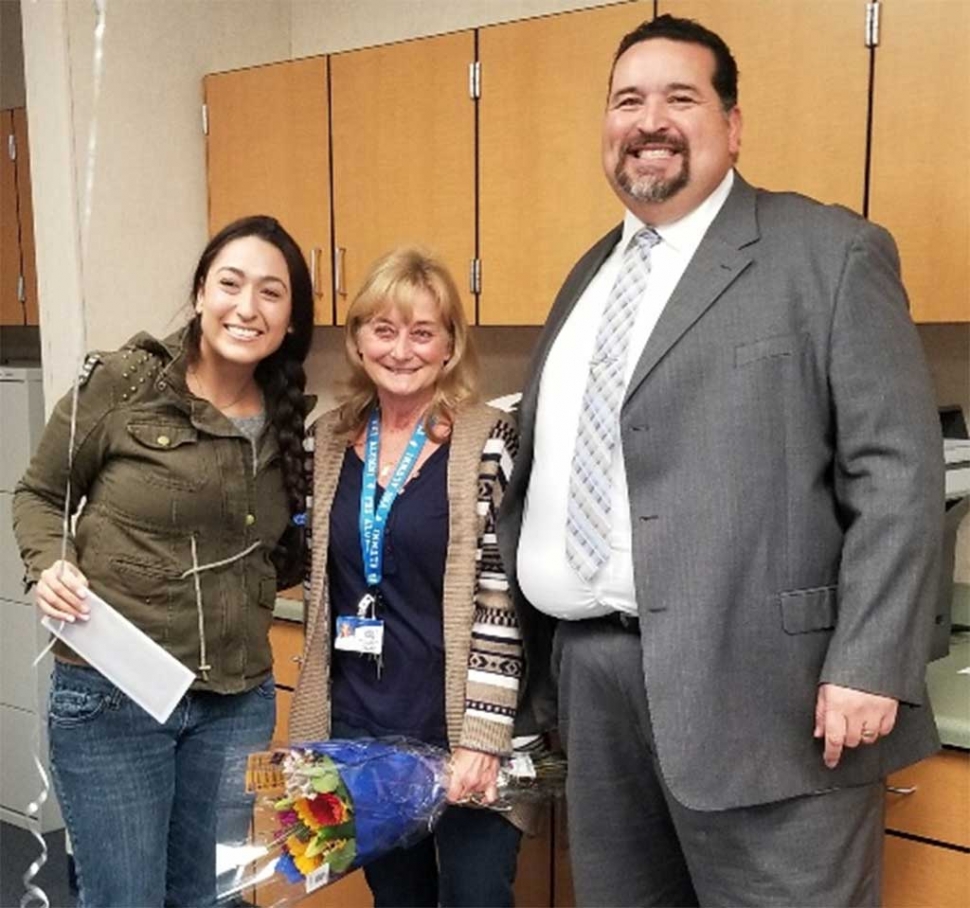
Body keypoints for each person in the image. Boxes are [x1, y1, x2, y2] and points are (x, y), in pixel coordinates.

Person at [497, 14, 945, 908]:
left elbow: (898, 472)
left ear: (733, 125)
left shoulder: (827, 254)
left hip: (770, 700)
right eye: (628, 99)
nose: (649, 120)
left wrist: (870, 661)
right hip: (597, 687)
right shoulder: (587, 278)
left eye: (680, 97)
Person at [13, 214, 314, 907]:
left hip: (235, 701)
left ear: (292, 318)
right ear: (201, 293)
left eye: (271, 293)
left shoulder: (290, 419)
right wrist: (48, 562)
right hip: (113, 692)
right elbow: (40, 492)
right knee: (127, 899)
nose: (247, 306)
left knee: (215, 898)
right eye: (230, 284)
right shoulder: (123, 385)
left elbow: (281, 550)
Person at [288, 247, 525, 908]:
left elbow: (500, 598)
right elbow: (317, 580)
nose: (401, 350)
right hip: (364, 727)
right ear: (358, 339)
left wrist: (482, 739)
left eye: (422, 332)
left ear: (450, 345)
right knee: (397, 900)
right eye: (384, 329)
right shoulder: (326, 440)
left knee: (477, 897)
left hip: (459, 726)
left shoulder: (490, 441)